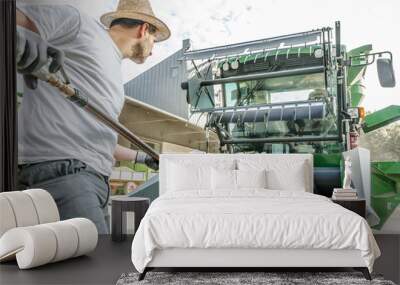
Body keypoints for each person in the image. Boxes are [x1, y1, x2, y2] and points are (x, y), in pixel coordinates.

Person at [16, 0, 170, 234]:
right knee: (98, 266)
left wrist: (142, 157)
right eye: (154, 40)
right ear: (143, 29)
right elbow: (11, 18)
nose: (153, 48)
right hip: (64, 173)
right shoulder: (80, 26)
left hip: (94, 181)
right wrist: (20, 36)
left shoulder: (115, 78)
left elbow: (99, 136)